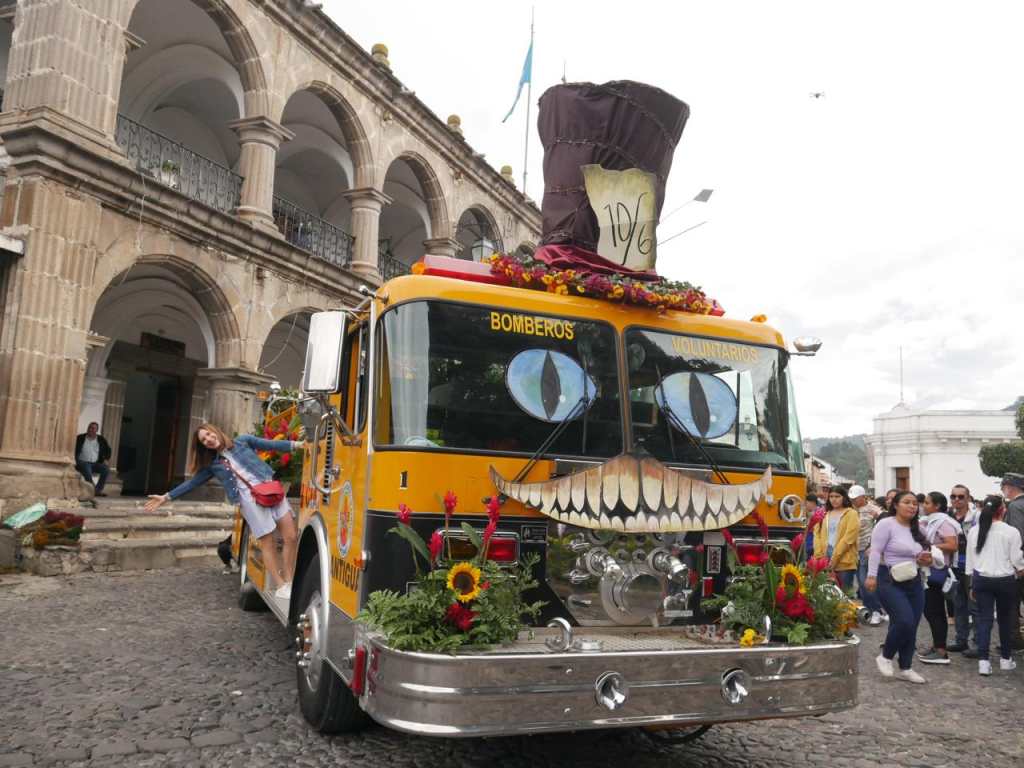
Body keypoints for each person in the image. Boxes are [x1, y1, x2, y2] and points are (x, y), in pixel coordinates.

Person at [144, 423, 301, 600]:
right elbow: (192, 483)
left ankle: (289, 579)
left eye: (209, 434)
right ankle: (281, 585)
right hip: (250, 502)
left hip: (270, 489)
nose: (209, 440)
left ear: (215, 431)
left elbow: (269, 444)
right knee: (268, 542)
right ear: (203, 446)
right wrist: (166, 496)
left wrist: (297, 445)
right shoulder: (213, 464)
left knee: (291, 536)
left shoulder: (242, 441)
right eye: (204, 440)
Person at [865, 491, 933, 684]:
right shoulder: (886, 524)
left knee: (911, 625)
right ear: (895, 505)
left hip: (914, 578)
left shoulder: (919, 528)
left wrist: (925, 558)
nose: (912, 506)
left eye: (914, 503)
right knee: (903, 620)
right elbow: (876, 551)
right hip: (889, 579)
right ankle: (885, 656)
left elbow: (927, 555)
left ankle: (906, 667)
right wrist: (871, 576)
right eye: (906, 502)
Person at [966, 494, 1024, 675]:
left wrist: (971, 585)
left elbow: (971, 561)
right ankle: (1006, 659)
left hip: (981, 579)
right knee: (1005, 620)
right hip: (1005, 580)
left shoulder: (975, 531)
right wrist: (1020, 568)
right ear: (1003, 510)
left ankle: (983, 662)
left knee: (985, 620)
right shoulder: (1011, 531)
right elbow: (1016, 559)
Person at [917, 492, 959, 664]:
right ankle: (937, 646)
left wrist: (929, 546)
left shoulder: (943, 522)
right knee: (932, 610)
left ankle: (941, 650)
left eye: (927, 503)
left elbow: (952, 544)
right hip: (928, 571)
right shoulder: (929, 521)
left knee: (934, 611)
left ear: (937, 506)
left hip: (936, 571)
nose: (923, 505)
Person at [947, 485, 979, 654]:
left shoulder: (977, 517)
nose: (956, 500)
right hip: (954, 567)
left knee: (975, 606)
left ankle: (977, 643)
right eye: (953, 496)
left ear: (968, 498)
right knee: (959, 605)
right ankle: (961, 640)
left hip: (972, 568)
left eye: (960, 496)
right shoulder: (947, 516)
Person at [850, 485, 885, 625]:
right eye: (851, 498)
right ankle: (869, 610)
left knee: (866, 582)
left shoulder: (872, 509)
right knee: (860, 583)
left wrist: (874, 544)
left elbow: (884, 521)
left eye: (856, 499)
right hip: (853, 550)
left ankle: (877, 611)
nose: (853, 501)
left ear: (863, 497)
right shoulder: (851, 510)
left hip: (867, 549)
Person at [812, 485, 859, 591]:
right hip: (824, 559)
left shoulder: (851, 514)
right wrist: (819, 557)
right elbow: (817, 534)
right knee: (825, 595)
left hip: (844, 562)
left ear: (844, 497)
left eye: (837, 496)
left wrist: (834, 559)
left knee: (844, 596)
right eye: (831, 496)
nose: (834, 499)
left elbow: (849, 539)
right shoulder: (824, 513)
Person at [999, 473, 1024, 650]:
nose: (1003, 491)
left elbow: (1018, 535)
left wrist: (1016, 564)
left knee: (1012, 603)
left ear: (1010, 487)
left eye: (1003, 487)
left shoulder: (1015, 506)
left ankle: (1014, 640)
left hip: (1020, 563)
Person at [75, 421, 112, 496]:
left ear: (96, 430)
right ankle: (93, 490)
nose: (90, 429)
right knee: (86, 468)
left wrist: (106, 459)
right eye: (89, 427)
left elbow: (108, 450)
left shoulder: (101, 439)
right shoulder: (80, 438)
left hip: (95, 463)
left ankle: (97, 489)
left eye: (93, 428)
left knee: (106, 469)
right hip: (82, 462)